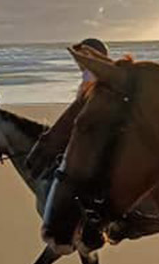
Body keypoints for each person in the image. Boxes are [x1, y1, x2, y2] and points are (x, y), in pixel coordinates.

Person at [26, 38, 109, 179]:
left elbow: (81, 106)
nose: (77, 62)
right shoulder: (103, 73)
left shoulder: (90, 75)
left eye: (80, 57)